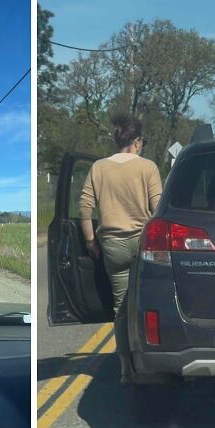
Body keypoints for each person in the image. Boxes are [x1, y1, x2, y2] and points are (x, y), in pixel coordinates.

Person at [79, 113, 163, 384]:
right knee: (147, 304)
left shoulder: (99, 168)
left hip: (111, 245)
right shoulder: (148, 167)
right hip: (142, 244)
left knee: (120, 309)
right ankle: (152, 361)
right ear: (137, 141)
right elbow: (157, 209)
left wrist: (91, 241)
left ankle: (126, 367)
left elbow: (85, 206)